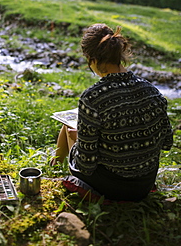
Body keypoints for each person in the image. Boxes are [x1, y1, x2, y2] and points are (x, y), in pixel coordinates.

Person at [51, 23, 173, 202]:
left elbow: (86, 165)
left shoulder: (92, 98)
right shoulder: (152, 90)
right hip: (145, 183)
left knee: (70, 129)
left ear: (91, 59)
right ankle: (54, 165)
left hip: (113, 188)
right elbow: (167, 141)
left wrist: (80, 139)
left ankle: (53, 168)